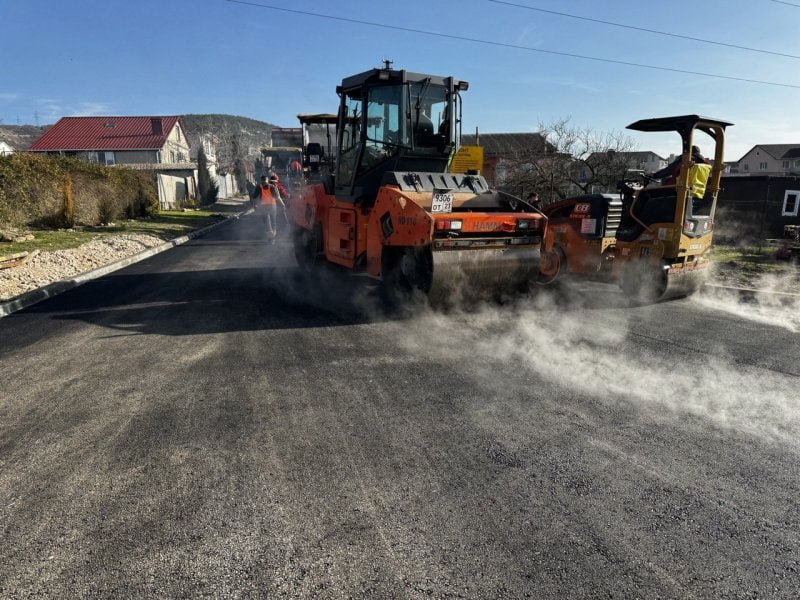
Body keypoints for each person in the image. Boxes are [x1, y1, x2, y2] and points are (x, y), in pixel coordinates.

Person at [255, 174, 286, 244]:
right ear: (267, 180)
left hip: (263, 206)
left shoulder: (259, 187)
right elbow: (277, 197)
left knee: (267, 223)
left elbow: (255, 197)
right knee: (273, 222)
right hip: (272, 206)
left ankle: (270, 239)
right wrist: (283, 204)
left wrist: (255, 205)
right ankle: (272, 239)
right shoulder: (272, 186)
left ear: (261, 180)